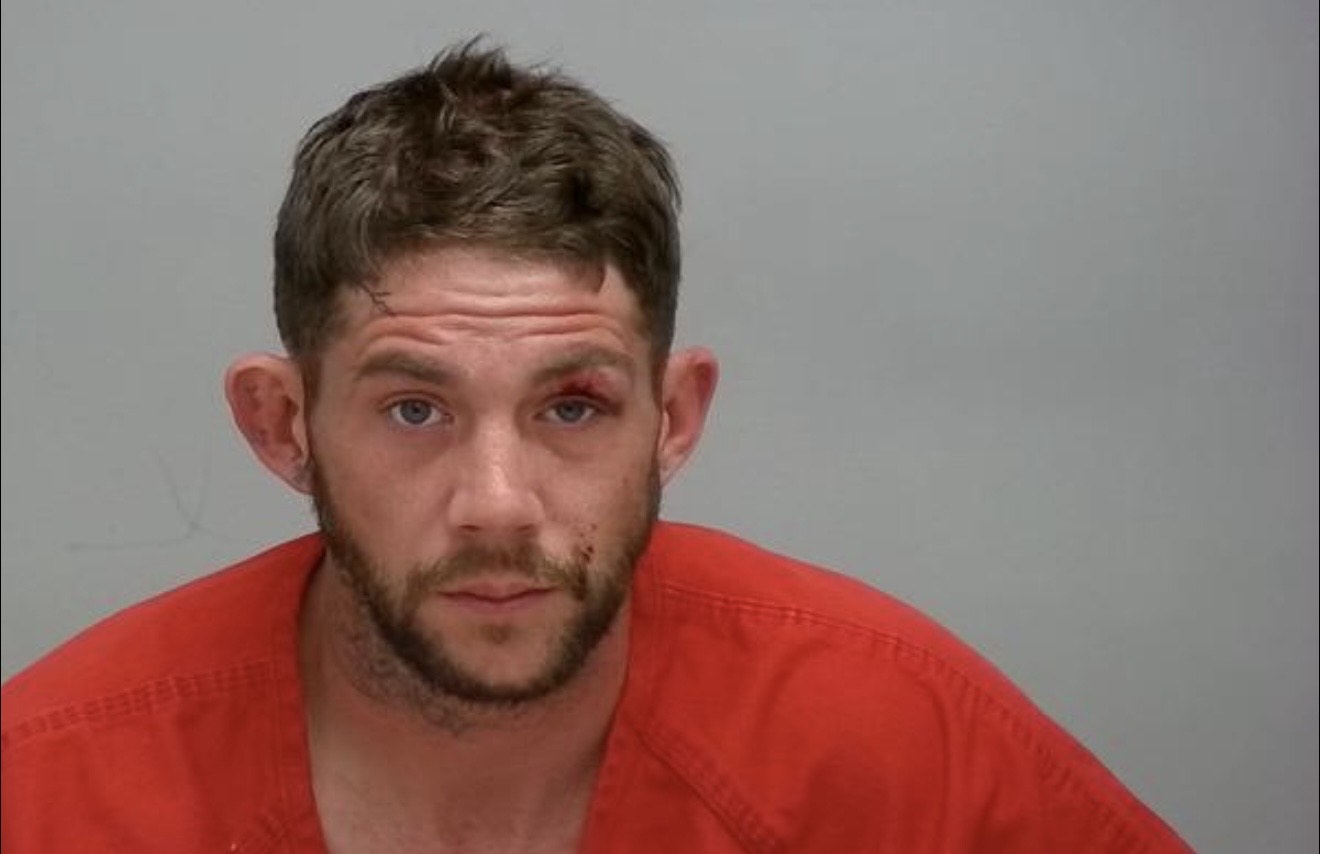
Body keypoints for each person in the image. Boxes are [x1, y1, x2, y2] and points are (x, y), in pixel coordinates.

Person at [1, 40, 1191, 853]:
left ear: (672, 418)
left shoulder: (895, 739)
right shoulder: (44, 785)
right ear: (283, 424)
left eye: (572, 406)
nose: (498, 502)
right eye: (414, 408)